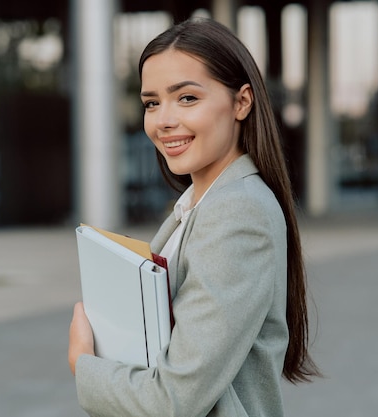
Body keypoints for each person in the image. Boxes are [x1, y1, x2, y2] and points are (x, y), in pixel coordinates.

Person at [68, 17, 319, 417]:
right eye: (152, 102)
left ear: (242, 102)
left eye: (186, 98)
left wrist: (85, 365)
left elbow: (175, 399)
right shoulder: (198, 205)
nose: (164, 120)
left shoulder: (238, 213)